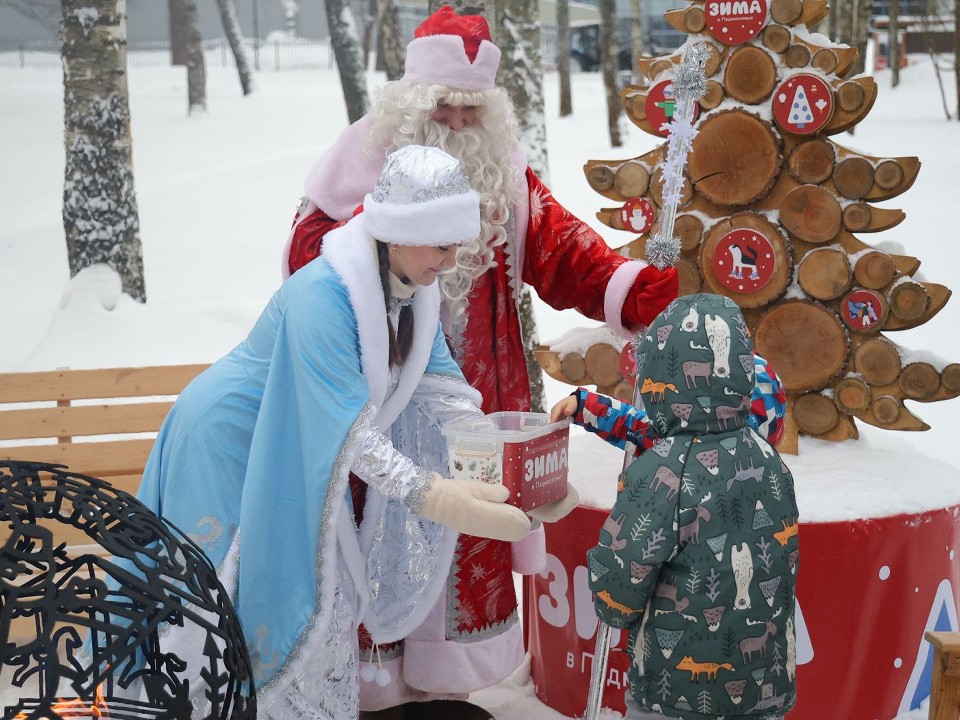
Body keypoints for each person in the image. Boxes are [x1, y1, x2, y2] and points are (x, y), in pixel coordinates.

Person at [282, 7, 678, 717]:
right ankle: (373, 693)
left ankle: (444, 690)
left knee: (467, 538)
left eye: (472, 110)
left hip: (475, 399)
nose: (458, 123)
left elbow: (563, 250)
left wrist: (636, 288)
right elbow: (306, 258)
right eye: (444, 107)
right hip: (380, 404)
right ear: (412, 101)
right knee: (381, 538)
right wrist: (386, 233)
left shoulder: (504, 176)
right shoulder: (359, 162)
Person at [128, 146, 566, 720]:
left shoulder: (414, 292)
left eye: (455, 244)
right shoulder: (323, 296)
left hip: (297, 440)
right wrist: (435, 496)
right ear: (398, 235)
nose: (451, 260)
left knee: (313, 592)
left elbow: (445, 397)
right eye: (442, 245)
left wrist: (509, 472)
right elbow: (347, 433)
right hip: (228, 440)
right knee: (224, 593)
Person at [552, 293, 799, 720]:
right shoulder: (770, 462)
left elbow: (622, 572)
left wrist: (611, 603)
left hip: (675, 696)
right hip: (765, 687)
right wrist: (587, 406)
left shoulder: (667, 468)